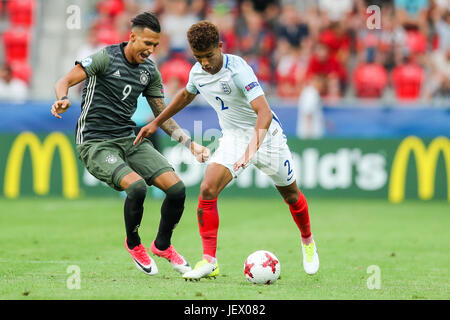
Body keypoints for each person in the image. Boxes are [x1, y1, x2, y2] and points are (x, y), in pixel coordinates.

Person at [134, 20, 320, 280]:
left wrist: (249, 154)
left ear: (220, 47)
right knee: (208, 188)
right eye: (199, 58)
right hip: (233, 138)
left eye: (209, 56)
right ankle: (210, 261)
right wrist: (156, 121)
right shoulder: (198, 72)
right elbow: (185, 96)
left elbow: (264, 113)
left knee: (291, 195)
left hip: (266, 137)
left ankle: (308, 241)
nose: (206, 63)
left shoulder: (239, 70)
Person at [51, 12, 209, 276]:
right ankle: (134, 244)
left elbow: (162, 116)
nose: (150, 49)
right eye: (146, 43)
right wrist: (62, 98)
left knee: (177, 189)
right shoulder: (105, 57)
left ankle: (162, 245)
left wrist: (189, 143)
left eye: (155, 45)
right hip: (95, 142)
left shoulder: (149, 72)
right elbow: (64, 80)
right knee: (136, 187)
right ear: (132, 36)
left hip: (128, 138)